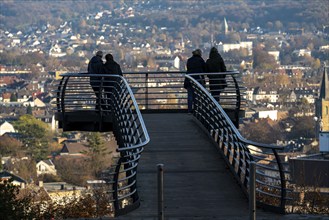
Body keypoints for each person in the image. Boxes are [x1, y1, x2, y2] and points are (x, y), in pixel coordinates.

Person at [185, 49, 206, 113]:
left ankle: (189, 110)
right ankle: (197, 109)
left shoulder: (189, 60)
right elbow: (205, 69)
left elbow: (188, 68)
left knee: (190, 95)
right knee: (197, 96)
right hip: (198, 80)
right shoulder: (201, 60)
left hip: (189, 79)